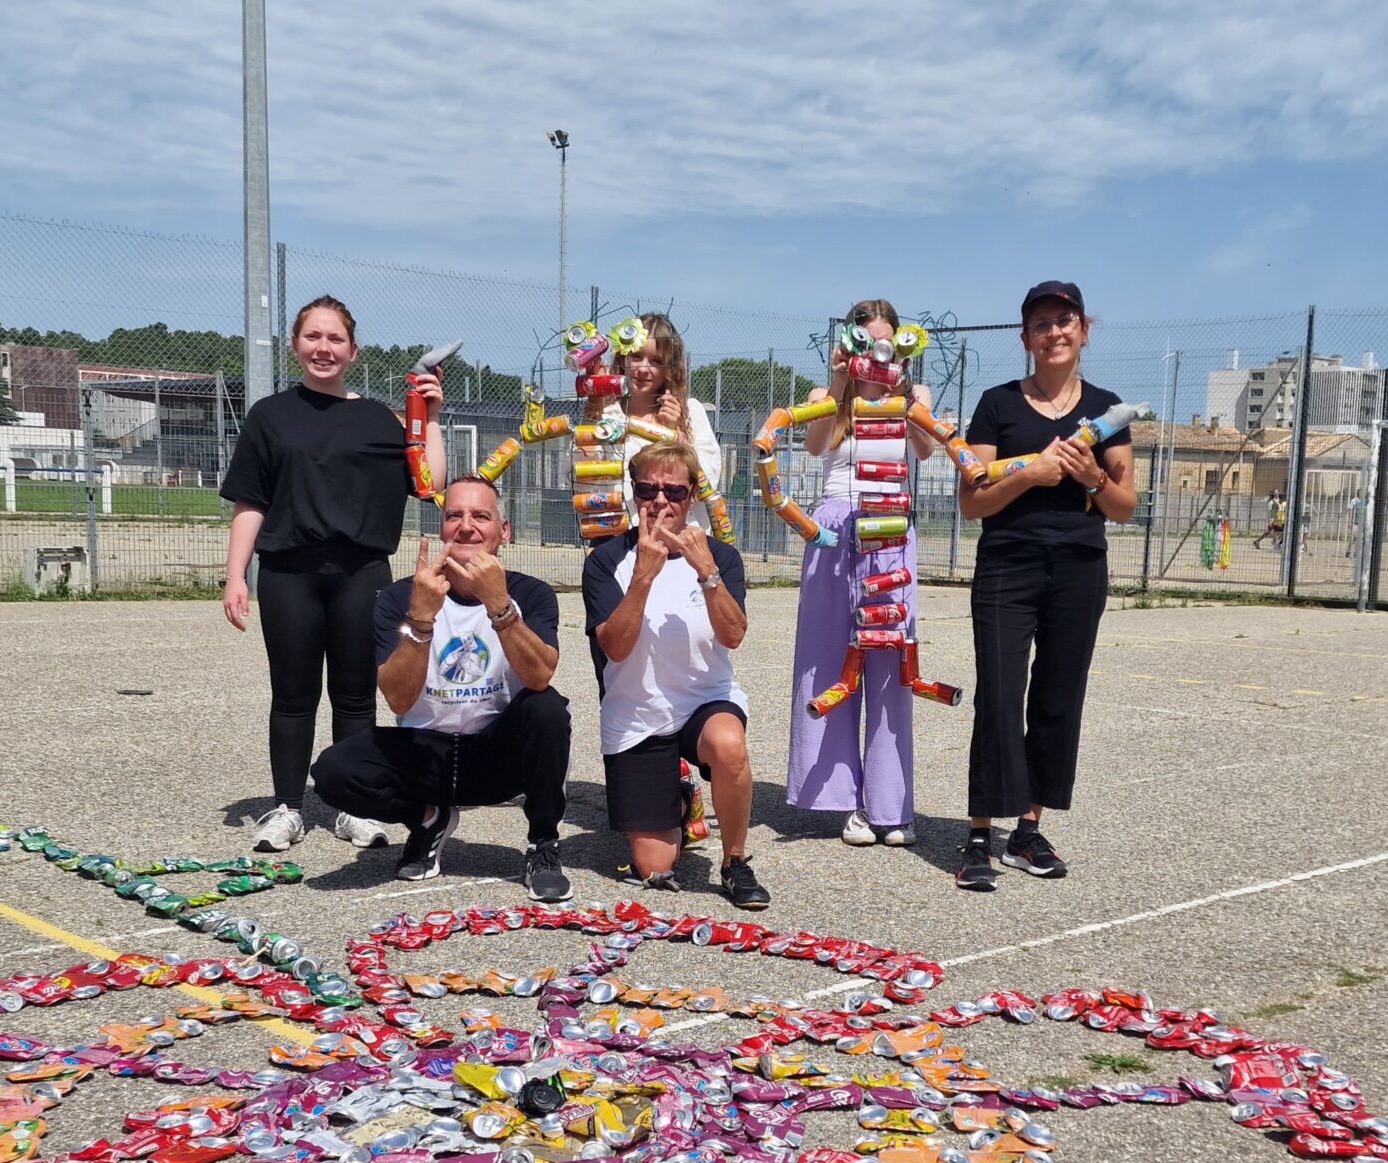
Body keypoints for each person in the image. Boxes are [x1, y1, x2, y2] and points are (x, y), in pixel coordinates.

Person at [220, 295, 447, 853]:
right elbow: (249, 502)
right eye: (312, 337)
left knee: (354, 697)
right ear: (295, 345)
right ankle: (288, 808)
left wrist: (432, 419)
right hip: (289, 572)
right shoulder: (270, 416)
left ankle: (353, 806)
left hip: (360, 572)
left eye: (335, 339)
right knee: (292, 696)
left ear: (353, 350)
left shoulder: (377, 420)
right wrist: (235, 575)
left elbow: (428, 481)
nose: (323, 348)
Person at [308, 478, 573, 899]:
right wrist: (421, 620)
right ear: (442, 528)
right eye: (455, 516)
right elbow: (397, 697)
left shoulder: (531, 594)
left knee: (548, 709)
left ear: (504, 531)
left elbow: (540, 675)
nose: (466, 526)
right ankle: (429, 819)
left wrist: (498, 605)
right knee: (333, 772)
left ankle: (543, 844)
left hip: (496, 756)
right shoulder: (401, 597)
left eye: (480, 516)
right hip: (425, 753)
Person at [955, 281, 1137, 892]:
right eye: (1041, 324)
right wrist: (1030, 474)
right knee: (1000, 697)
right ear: (1025, 338)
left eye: (1065, 321)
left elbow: (1124, 506)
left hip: (1080, 569)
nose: (1054, 332)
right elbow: (971, 501)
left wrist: (1089, 478)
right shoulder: (997, 405)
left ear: (1084, 329)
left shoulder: (1108, 411)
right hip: (1007, 565)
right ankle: (979, 832)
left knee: (1058, 700)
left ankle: (1027, 830)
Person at [582, 442, 770, 909]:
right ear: (633, 493)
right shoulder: (607, 561)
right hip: (637, 714)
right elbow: (615, 647)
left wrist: (705, 571)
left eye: (674, 491)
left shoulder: (720, 557)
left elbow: (733, 636)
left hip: (704, 701)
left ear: (691, 498)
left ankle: (735, 861)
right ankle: (682, 797)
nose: (660, 501)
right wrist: (643, 577)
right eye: (648, 489)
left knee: (729, 744)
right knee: (656, 867)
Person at [787, 299, 938, 846]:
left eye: (887, 342)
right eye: (865, 342)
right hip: (833, 525)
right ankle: (843, 798)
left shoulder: (913, 396)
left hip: (891, 528)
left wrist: (902, 394)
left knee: (892, 657)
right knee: (827, 658)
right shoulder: (827, 396)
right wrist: (837, 379)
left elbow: (925, 448)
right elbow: (814, 444)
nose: (875, 353)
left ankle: (891, 803)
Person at [581, 312, 724, 531]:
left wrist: (675, 436)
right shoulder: (608, 415)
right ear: (623, 358)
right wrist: (595, 402)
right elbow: (581, 477)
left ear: (670, 369)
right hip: (619, 541)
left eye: (656, 361)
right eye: (636, 356)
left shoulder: (691, 412)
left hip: (680, 542)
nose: (643, 369)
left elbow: (708, 484)